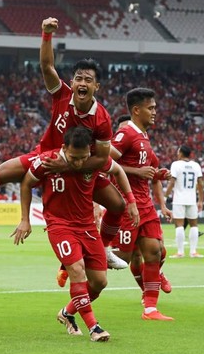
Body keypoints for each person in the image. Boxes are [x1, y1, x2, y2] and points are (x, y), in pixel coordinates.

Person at [0, 17, 136, 269]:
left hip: (81, 166)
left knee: (117, 206)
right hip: (46, 154)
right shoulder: (62, 94)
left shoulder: (102, 118)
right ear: (72, 82)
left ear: (97, 86)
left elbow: (104, 158)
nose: (82, 83)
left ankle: (104, 247)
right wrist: (45, 34)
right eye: (78, 78)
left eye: (88, 80)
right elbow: (46, 65)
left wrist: (68, 166)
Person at [12, 126, 137, 342]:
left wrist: (131, 201)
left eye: (83, 158)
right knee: (77, 271)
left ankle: (67, 313)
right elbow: (26, 182)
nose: (79, 163)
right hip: (60, 226)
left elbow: (118, 171)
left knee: (99, 282)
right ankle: (94, 327)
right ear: (63, 148)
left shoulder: (94, 162)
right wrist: (25, 219)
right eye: (73, 158)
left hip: (87, 228)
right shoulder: (47, 162)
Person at [109, 87, 174, 321]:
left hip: (145, 205)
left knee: (156, 251)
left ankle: (150, 309)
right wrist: (139, 170)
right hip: (127, 205)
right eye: (151, 108)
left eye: (155, 107)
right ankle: (73, 265)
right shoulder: (126, 134)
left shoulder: (144, 136)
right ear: (137, 110)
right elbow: (105, 162)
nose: (155, 112)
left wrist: (158, 174)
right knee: (122, 259)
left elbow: (149, 171)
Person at [165, 145, 204, 258]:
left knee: (179, 225)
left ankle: (180, 252)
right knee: (194, 225)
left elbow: (172, 182)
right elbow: (200, 184)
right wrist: (201, 200)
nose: (177, 154)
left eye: (178, 152)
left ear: (181, 153)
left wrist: (164, 197)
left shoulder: (176, 165)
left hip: (179, 199)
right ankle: (193, 252)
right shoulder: (196, 165)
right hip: (192, 199)